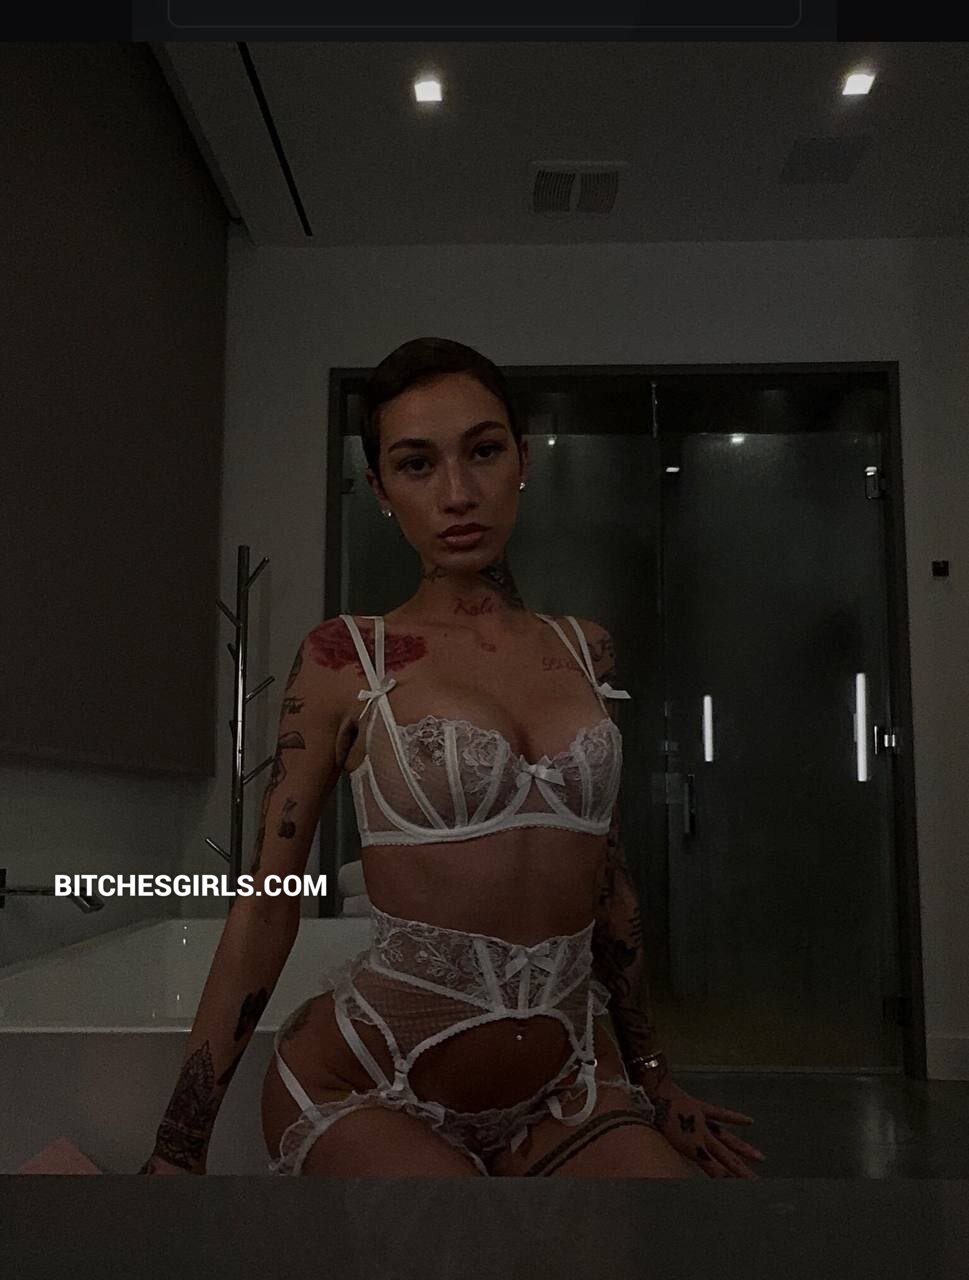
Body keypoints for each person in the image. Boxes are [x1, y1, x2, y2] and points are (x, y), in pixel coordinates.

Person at [138, 337, 764, 1178]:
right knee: (468, 1242)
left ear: (522, 461)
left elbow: (608, 886)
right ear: (380, 490)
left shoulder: (584, 652)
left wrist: (653, 1077)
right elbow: (266, 905)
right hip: (366, 1083)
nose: (458, 493)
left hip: (564, 1087)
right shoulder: (346, 657)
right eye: (416, 464)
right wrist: (178, 1148)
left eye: (483, 451)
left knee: (675, 1223)